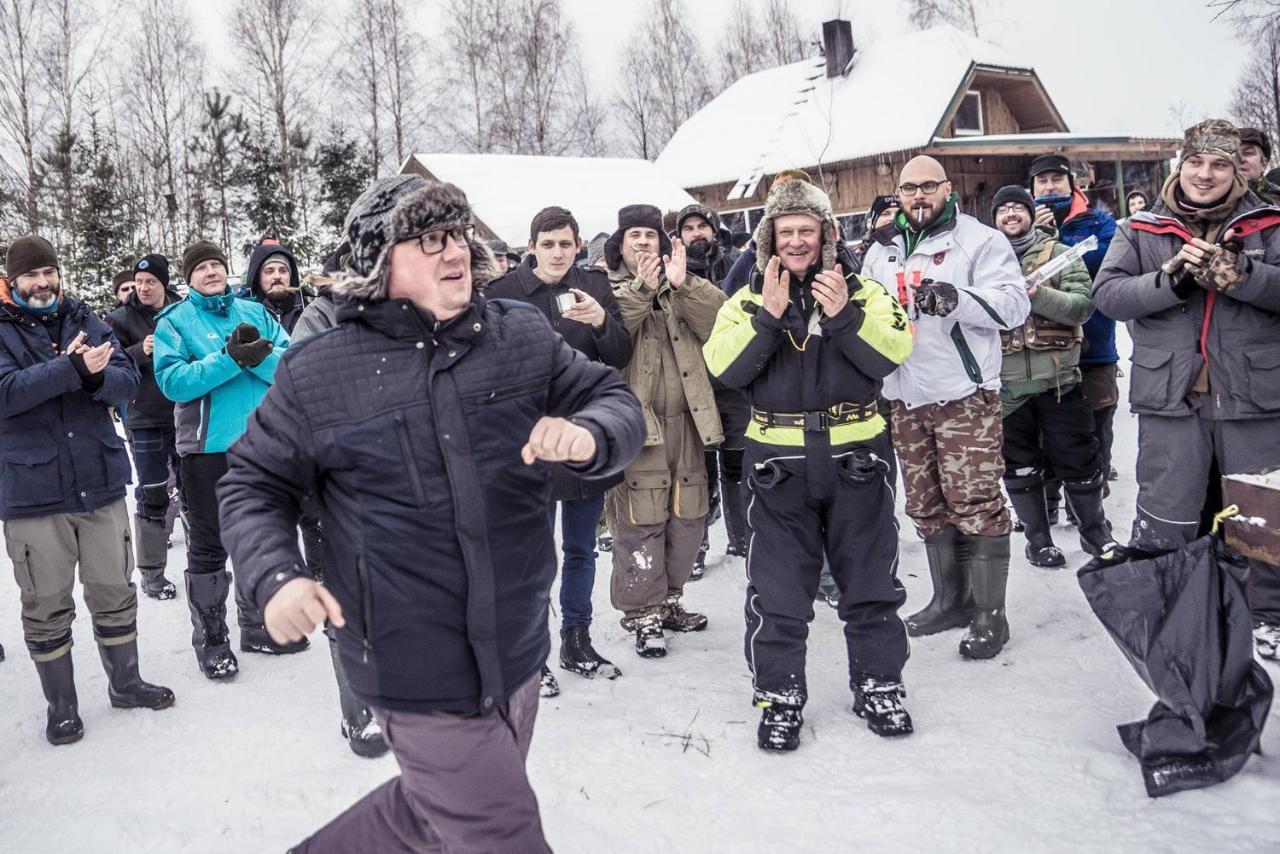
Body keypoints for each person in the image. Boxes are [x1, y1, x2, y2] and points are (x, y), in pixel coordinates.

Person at [218, 180, 645, 853]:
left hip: (516, 639)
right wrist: (276, 577)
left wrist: (591, 433)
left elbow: (611, 396)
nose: (452, 252)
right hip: (407, 658)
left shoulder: (519, 337)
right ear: (377, 264)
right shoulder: (319, 372)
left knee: (432, 816)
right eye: (427, 241)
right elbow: (251, 481)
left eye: (454, 235)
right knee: (500, 833)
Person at [704, 178, 915, 751]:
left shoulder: (865, 291)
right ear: (768, 238)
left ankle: (879, 682)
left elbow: (893, 354)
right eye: (785, 231)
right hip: (779, 466)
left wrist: (843, 314)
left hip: (858, 460)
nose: (796, 241)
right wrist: (769, 318)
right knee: (777, 590)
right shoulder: (744, 302)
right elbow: (726, 371)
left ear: (827, 234)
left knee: (870, 580)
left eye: (807, 230)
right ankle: (780, 695)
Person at [1093, 118, 1280, 662]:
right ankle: (1171, 613)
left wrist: (1244, 275)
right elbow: (1109, 296)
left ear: (1237, 170)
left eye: (1219, 164)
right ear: (1181, 163)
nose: (1205, 174)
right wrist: (1170, 281)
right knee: (1167, 518)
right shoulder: (1143, 230)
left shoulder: (1268, 226)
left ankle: (1266, 617)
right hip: (1173, 401)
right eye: (1196, 161)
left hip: (1254, 400)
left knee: (1259, 519)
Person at [0, 235, 173, 745]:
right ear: (14, 281)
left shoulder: (85, 317)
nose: (43, 282)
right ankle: (62, 706)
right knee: (46, 600)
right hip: (33, 489)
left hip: (98, 481)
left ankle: (126, 683)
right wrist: (70, 369)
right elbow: (6, 393)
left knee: (114, 589)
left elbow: (127, 381)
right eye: (31, 275)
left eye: (48, 272)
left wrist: (97, 379)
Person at [862, 155, 1030, 660]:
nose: (918, 196)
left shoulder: (980, 240)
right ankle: (950, 598)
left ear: (947, 188)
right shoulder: (883, 250)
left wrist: (956, 298)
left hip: (964, 395)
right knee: (926, 505)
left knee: (976, 503)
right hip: (905, 396)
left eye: (928, 187)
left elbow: (1014, 304)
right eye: (909, 188)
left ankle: (989, 614)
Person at [485, 205, 633, 689]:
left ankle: (577, 637)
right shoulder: (501, 293)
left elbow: (619, 356)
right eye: (547, 244)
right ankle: (532, 655)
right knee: (531, 555)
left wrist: (600, 324)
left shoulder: (593, 286)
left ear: (577, 246)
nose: (556, 252)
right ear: (531, 248)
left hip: (584, 436)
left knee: (582, 548)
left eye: (565, 244)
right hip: (527, 441)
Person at [154, 239, 296, 680]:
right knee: (210, 546)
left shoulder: (256, 313)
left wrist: (260, 356)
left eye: (217, 264)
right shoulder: (174, 322)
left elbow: (294, 365)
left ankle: (257, 627)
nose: (212, 272)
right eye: (202, 268)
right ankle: (213, 640)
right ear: (189, 277)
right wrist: (231, 358)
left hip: (263, 445)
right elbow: (174, 382)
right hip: (207, 450)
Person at [605, 204, 726, 657]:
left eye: (650, 236)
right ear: (621, 243)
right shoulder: (609, 288)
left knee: (689, 517)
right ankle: (643, 613)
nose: (642, 243)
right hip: (640, 425)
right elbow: (614, 332)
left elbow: (721, 321)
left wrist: (684, 283)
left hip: (691, 420)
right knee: (641, 519)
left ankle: (670, 600)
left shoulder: (684, 285)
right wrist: (644, 288)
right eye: (633, 235)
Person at [989, 186, 1117, 567]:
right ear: (994, 219)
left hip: (1060, 381)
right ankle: (1038, 540)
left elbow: (1082, 306)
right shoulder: (982, 265)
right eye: (1003, 209)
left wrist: (1037, 296)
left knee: (1080, 458)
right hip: (1007, 387)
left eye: (1018, 207)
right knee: (1020, 463)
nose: (1011, 214)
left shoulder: (1062, 257)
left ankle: (1096, 534)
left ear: (1031, 213)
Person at [1029, 154, 1119, 516]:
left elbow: (1104, 266)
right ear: (1031, 188)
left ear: (1072, 184)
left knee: (1096, 426)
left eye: (1056, 180)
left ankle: (1089, 505)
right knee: (1044, 429)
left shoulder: (1099, 224)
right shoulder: (1018, 225)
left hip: (1095, 348)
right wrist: (1033, 236)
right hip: (1041, 352)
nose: (1050, 187)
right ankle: (1047, 501)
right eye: (1042, 182)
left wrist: (1054, 246)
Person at [675, 202, 749, 576]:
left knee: (738, 463)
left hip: (735, 383)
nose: (695, 234)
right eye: (687, 229)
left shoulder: (738, 265)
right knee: (697, 469)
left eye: (701, 226)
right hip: (694, 385)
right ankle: (697, 546)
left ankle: (743, 539)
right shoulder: (674, 272)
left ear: (714, 229)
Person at [106, 253, 183, 600]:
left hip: (186, 413)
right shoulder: (120, 318)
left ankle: (202, 562)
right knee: (151, 493)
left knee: (193, 491)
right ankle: (152, 573)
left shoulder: (183, 310)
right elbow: (109, 361)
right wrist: (140, 349)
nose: (143, 287)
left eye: (150, 281)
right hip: (145, 418)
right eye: (139, 282)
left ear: (163, 283)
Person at [242, 239, 309, 331]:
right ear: (258, 278)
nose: (277, 276)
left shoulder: (308, 310)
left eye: (283, 271)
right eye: (269, 271)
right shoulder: (244, 313)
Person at [1239, 127, 1280, 205]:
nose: (1240, 159)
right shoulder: (1212, 199)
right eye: (1233, 154)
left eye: (1248, 153)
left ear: (1263, 164)